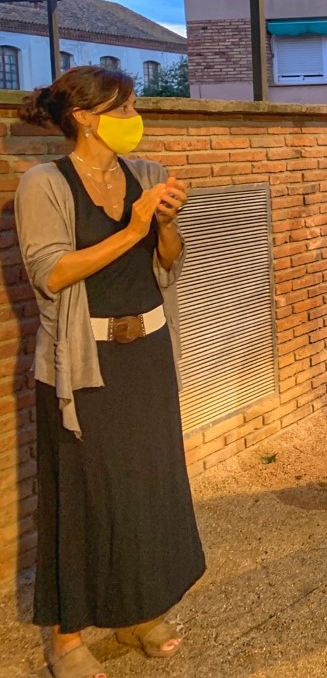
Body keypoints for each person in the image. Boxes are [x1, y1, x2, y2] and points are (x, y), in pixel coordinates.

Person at [14, 67, 205, 678]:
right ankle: (67, 636)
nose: (136, 116)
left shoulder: (144, 175)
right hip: (83, 364)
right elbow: (52, 273)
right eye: (126, 106)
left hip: (146, 353)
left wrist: (166, 223)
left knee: (146, 486)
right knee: (83, 494)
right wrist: (134, 228)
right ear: (88, 116)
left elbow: (167, 264)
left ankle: (137, 609)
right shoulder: (44, 184)